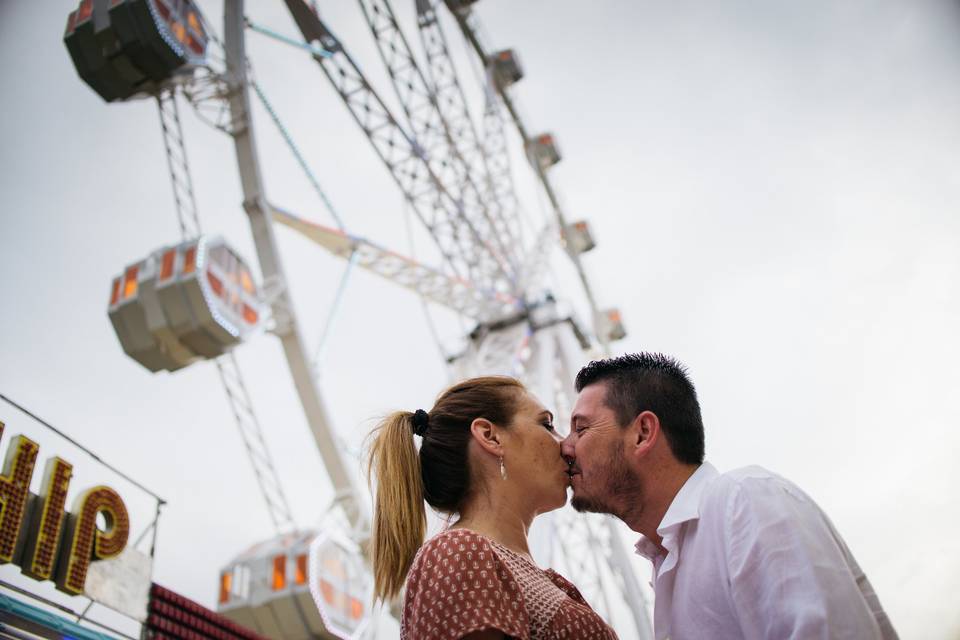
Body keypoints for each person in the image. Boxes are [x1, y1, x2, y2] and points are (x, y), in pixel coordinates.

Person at [561, 353, 898, 640]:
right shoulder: (668, 561)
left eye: (581, 428)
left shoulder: (744, 501)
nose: (565, 446)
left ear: (643, 433)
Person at [367, 375, 618, 640]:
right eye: (547, 424)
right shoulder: (460, 551)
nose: (567, 446)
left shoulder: (514, 568)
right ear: (490, 436)